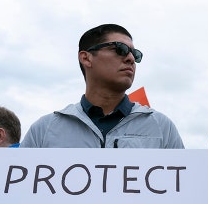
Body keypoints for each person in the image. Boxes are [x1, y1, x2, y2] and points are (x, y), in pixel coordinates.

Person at [20, 23, 183, 149]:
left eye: (135, 54)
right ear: (86, 58)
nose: (130, 59)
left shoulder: (161, 127)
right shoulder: (44, 129)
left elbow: (183, 187)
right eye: (120, 49)